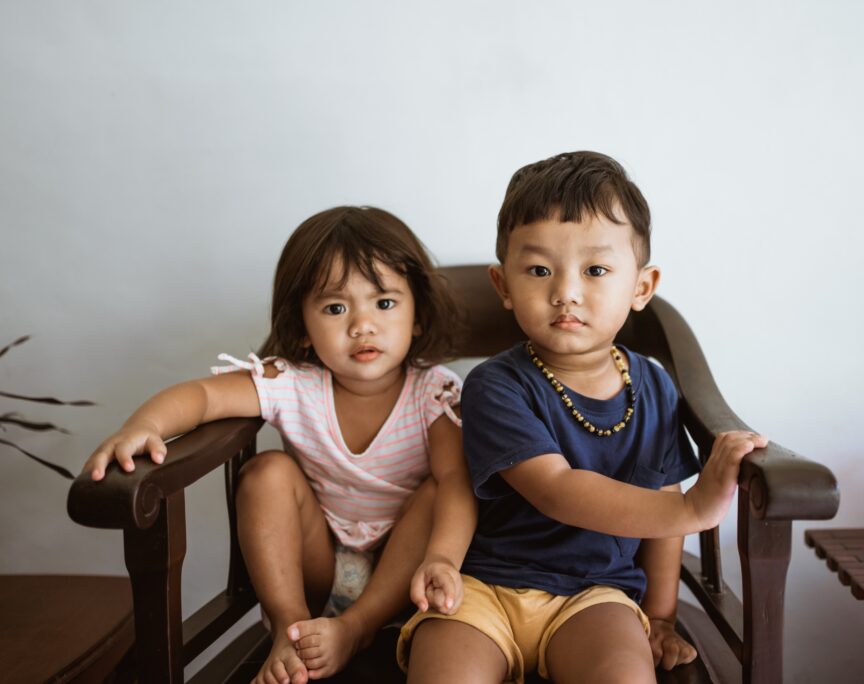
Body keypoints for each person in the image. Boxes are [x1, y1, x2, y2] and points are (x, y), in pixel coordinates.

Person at [399, 151, 768, 684]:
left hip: (596, 595)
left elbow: (663, 500)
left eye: (595, 270)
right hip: (484, 587)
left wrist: (662, 616)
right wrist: (693, 508)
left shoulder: (654, 386)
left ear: (641, 287)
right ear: (503, 287)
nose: (565, 292)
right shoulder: (496, 385)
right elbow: (556, 489)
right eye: (539, 270)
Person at [83, 206, 475, 684]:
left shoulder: (433, 393)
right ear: (303, 328)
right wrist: (143, 425)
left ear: (418, 315)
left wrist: (442, 560)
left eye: (385, 303)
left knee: (440, 490)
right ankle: (291, 631)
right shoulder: (293, 383)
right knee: (267, 472)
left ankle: (356, 628)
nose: (362, 325)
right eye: (335, 308)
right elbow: (204, 396)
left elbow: (457, 484)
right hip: (319, 563)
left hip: (403, 570)